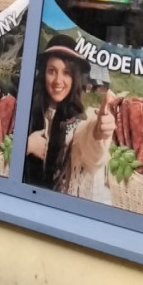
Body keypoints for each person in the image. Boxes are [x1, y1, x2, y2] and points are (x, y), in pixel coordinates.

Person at [25, 34, 115, 200]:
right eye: (52, 71)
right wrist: (27, 146)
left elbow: (89, 150)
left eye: (66, 73)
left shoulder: (79, 121)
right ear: (43, 73)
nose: (58, 81)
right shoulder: (27, 111)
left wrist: (98, 133)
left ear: (75, 78)